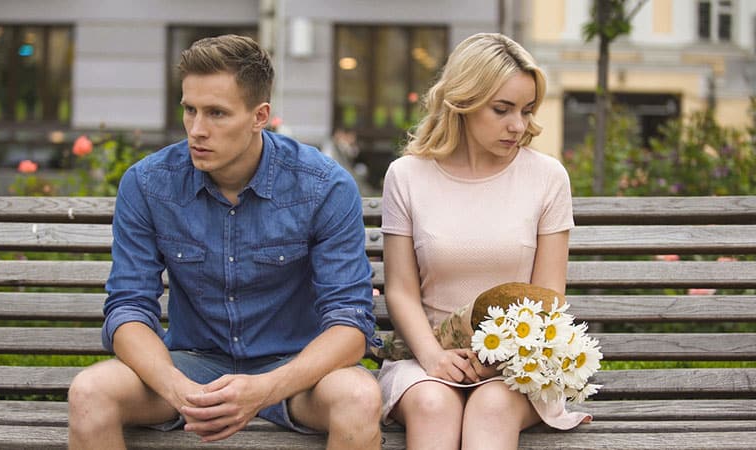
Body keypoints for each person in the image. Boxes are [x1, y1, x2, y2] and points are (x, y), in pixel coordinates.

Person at [67, 34, 382, 449]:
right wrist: (178, 389)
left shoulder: (323, 187)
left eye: (217, 113)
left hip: (297, 374)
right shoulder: (148, 184)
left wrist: (264, 389)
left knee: (359, 398)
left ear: (260, 115)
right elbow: (128, 308)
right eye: (190, 110)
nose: (198, 130)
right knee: (90, 394)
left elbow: (349, 322)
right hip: (192, 366)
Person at [378, 32, 590, 450]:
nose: (519, 125)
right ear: (463, 101)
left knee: (491, 406)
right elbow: (401, 290)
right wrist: (434, 358)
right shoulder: (406, 176)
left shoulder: (547, 178)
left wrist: (502, 358)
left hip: (521, 360)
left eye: (527, 110)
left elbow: (549, 296)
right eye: (502, 109)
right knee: (433, 405)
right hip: (428, 354)